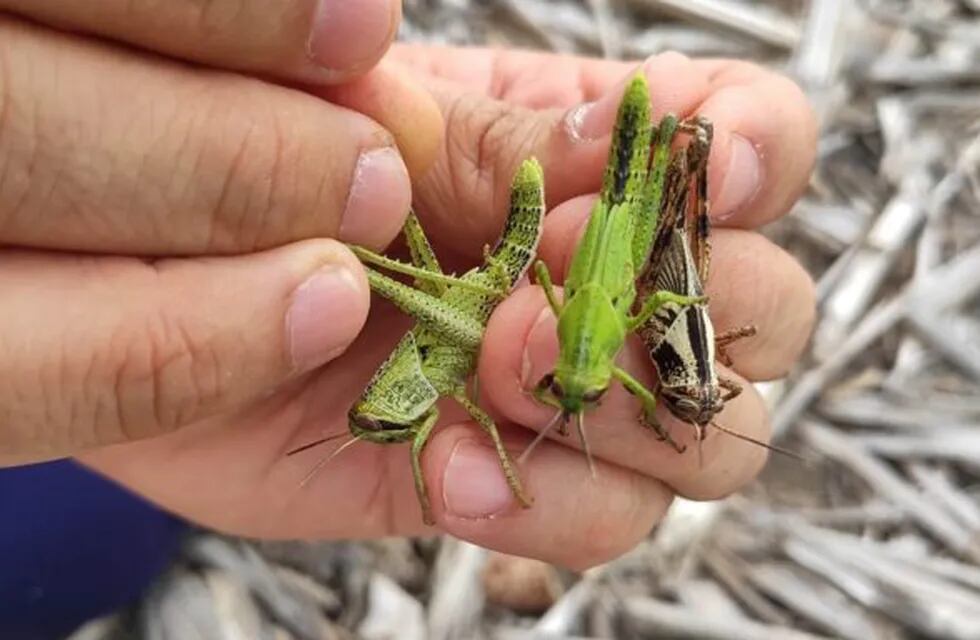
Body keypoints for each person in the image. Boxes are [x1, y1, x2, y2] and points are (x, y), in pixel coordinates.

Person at [0, 0, 816, 574]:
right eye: (382, 421)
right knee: (97, 556)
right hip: (505, 290)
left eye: (376, 418)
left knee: (374, 268)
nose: (383, 422)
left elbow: (490, 333)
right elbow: (466, 417)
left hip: (492, 266)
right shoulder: (432, 412)